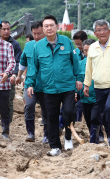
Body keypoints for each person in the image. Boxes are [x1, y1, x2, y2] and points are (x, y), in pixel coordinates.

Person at [25, 15, 82, 156]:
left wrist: (79, 78)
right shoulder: (38, 46)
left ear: (56, 27)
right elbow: (33, 67)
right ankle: (55, 146)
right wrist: (30, 83)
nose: (49, 28)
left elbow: (75, 61)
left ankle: (68, 137)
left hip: (67, 86)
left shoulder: (66, 42)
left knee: (69, 112)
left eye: (51, 25)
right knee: (51, 117)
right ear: (43, 29)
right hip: (49, 88)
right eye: (46, 26)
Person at [15, 21, 48, 143]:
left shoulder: (49, 46)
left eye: (39, 33)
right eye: (34, 34)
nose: (37, 36)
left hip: (46, 85)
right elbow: (23, 61)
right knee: (28, 106)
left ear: (44, 32)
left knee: (46, 110)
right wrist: (19, 75)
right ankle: (30, 133)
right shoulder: (29, 46)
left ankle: (46, 135)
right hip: (30, 84)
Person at [0, 21, 22, 126]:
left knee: (8, 101)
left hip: (8, 77)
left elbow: (18, 61)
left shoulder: (15, 44)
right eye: (4, 29)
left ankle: (6, 122)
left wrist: (15, 74)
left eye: (8, 29)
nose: (6, 31)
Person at [78, 39, 100, 143]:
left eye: (90, 50)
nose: (87, 53)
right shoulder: (80, 64)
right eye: (85, 51)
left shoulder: (101, 64)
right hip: (84, 98)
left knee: (95, 117)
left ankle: (93, 140)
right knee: (88, 119)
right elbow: (77, 80)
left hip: (97, 96)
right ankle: (96, 136)